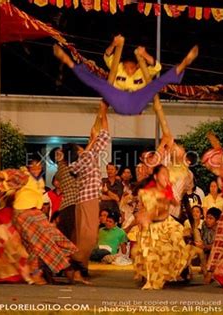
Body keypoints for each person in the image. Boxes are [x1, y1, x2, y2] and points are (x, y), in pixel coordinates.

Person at [53, 43, 198, 116]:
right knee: (100, 84)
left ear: (136, 67)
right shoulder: (118, 66)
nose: (129, 70)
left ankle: (183, 64)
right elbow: (107, 56)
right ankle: (69, 61)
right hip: (118, 97)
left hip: (137, 99)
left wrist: (144, 54)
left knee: (156, 84)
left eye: (132, 68)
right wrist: (115, 43)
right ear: (123, 65)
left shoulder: (141, 71)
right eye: (127, 67)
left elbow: (157, 66)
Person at [64, 102, 111, 275]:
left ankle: (79, 270)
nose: (83, 147)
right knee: (90, 236)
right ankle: (75, 263)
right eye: (80, 147)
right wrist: (103, 113)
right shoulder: (84, 159)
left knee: (82, 236)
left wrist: (102, 116)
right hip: (87, 201)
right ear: (77, 151)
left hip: (83, 202)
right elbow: (104, 136)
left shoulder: (81, 161)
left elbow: (101, 138)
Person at [133, 165, 192, 290]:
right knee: (150, 255)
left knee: (175, 248)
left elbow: (174, 203)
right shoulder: (147, 191)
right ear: (155, 177)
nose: (166, 177)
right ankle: (151, 280)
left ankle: (168, 274)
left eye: (167, 174)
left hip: (166, 224)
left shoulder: (167, 191)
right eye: (163, 174)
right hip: (152, 227)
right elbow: (143, 209)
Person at [54, 147, 79, 241]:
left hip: (69, 205)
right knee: (70, 235)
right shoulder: (65, 169)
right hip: (70, 205)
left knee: (68, 235)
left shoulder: (68, 168)